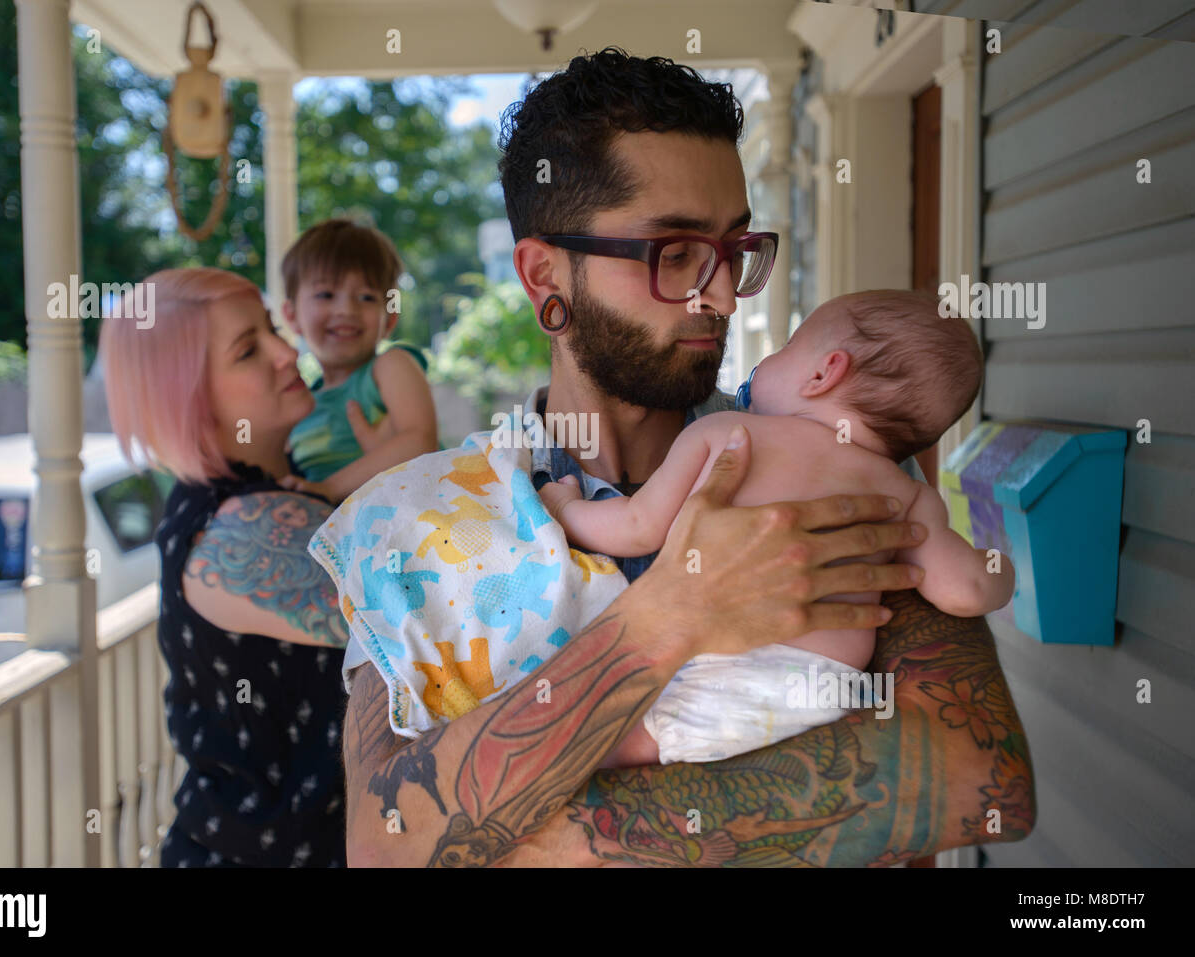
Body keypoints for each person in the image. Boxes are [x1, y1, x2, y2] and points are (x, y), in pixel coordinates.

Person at [340, 48, 1036, 867]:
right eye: (672, 252)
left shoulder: (838, 458)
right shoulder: (421, 520)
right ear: (542, 274)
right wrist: (671, 615)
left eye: (733, 248)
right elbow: (386, 844)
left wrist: (517, 825)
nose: (716, 293)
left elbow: (979, 779)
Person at [537, 289, 1015, 767]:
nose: (770, 358)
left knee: (596, 751)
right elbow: (967, 591)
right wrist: (1002, 568)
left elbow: (636, 526)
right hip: (822, 689)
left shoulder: (725, 433)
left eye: (787, 346)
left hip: (713, 659)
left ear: (824, 373)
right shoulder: (907, 495)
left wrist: (564, 509)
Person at [100, 267, 354, 866]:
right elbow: (443, 616)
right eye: (247, 349)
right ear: (190, 396)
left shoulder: (272, 490)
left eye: (271, 328)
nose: (286, 350)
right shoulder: (238, 527)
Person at [277, 218, 440, 503]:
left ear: (389, 319)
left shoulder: (390, 367)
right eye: (326, 294)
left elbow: (419, 441)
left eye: (366, 297)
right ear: (291, 315)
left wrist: (327, 489)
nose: (346, 310)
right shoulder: (299, 404)